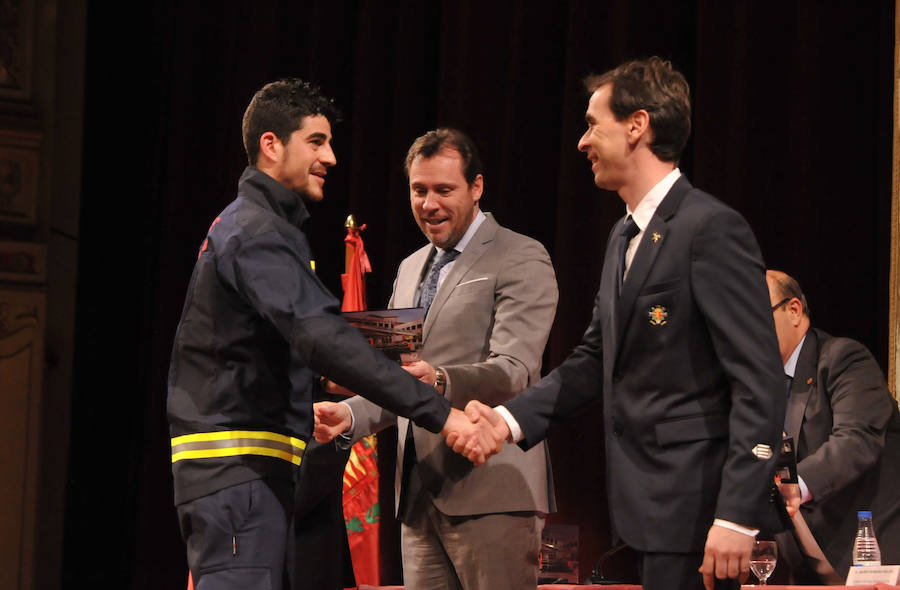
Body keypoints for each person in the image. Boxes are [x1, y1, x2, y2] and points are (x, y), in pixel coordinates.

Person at [457, 57, 788, 590]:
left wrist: (736, 515)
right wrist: (505, 421)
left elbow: (761, 380)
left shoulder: (710, 228)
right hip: (643, 518)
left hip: (702, 521)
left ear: (637, 126)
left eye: (593, 124)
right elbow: (594, 359)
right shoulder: (623, 237)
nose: (583, 141)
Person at [166, 79, 484, 590]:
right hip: (239, 472)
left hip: (248, 470)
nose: (331, 157)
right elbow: (319, 337)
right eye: (317, 141)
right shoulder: (257, 232)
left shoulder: (259, 227)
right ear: (272, 145)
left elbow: (275, 346)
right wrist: (441, 413)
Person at [313, 128, 559, 590]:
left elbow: (516, 370)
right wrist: (347, 415)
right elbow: (398, 379)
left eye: (444, 190)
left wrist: (443, 380)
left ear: (477, 187)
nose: (429, 204)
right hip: (418, 499)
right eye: (419, 190)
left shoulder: (521, 256)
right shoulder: (409, 267)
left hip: (492, 492)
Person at [766, 270, 900, 583]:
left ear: (794, 310)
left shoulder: (844, 359)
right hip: (800, 563)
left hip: (868, 553)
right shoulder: (756, 388)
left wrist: (794, 487)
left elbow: (856, 440)